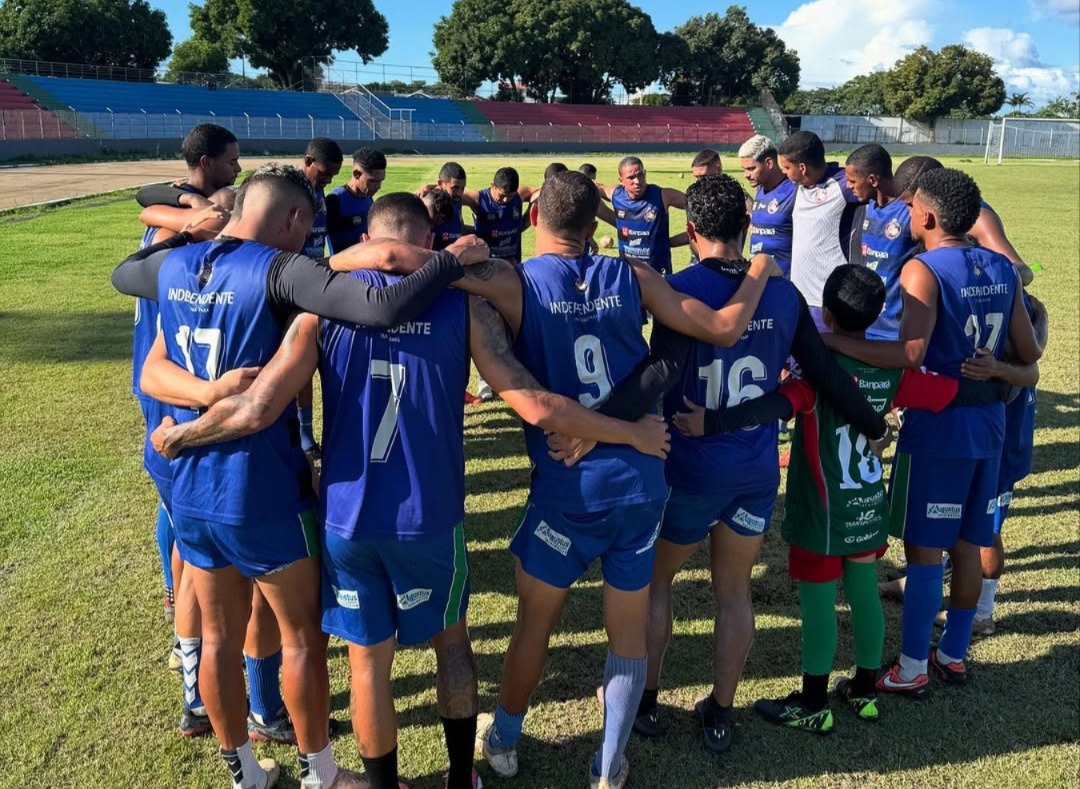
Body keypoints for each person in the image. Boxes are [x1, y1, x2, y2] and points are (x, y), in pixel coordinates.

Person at [149, 192, 671, 789]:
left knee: (367, 662)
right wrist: (622, 429)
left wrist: (182, 435)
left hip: (347, 516)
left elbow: (259, 405)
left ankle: (379, 784)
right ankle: (458, 779)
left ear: (369, 240)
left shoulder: (320, 310)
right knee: (451, 643)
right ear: (426, 244)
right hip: (430, 515)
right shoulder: (461, 309)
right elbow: (531, 402)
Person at [336, 172, 781, 789]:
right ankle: (606, 765)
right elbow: (723, 328)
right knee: (627, 636)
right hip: (641, 480)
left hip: (567, 489)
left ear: (535, 218)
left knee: (534, 627)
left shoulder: (516, 281)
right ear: (596, 220)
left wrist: (335, 256)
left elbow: (401, 259)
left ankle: (507, 737)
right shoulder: (633, 274)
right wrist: (759, 270)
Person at [112, 163, 488, 789]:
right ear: (292, 219)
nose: (310, 242)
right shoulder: (280, 273)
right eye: (308, 228)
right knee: (303, 642)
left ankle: (244, 771)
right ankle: (321, 772)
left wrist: (191, 415)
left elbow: (146, 348)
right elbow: (384, 302)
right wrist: (449, 261)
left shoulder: (178, 265)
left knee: (220, 636)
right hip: (263, 488)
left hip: (193, 488)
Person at [677, 264, 1010, 733]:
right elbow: (949, 391)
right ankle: (864, 689)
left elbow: (774, 405)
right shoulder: (893, 373)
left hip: (822, 511)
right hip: (866, 506)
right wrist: (998, 385)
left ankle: (813, 701)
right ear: (875, 317)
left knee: (818, 605)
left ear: (827, 317)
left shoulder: (817, 373)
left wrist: (710, 422)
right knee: (862, 592)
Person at [624, 176, 889, 755]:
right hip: (754, 472)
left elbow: (662, 375)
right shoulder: (785, 293)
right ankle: (721, 710)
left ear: (691, 231)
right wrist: (872, 424)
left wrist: (595, 424)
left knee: (656, 582)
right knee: (734, 592)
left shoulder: (679, 287)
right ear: (746, 227)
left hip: (690, 469)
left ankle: (646, 701)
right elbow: (823, 374)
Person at [822, 168, 1042, 697]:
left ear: (928, 215)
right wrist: (1000, 370)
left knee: (924, 551)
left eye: (914, 208)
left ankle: (914, 666)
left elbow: (911, 354)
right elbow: (1030, 352)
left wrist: (832, 344)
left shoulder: (923, 269)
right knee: (969, 545)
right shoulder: (1001, 267)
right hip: (990, 424)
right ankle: (954, 654)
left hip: (940, 428)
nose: (908, 216)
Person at [892, 156, 1036, 287]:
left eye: (912, 205)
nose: (909, 212)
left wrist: (973, 282)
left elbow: (1023, 273)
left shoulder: (979, 217)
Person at [777, 131, 862, 328]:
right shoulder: (796, 186)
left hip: (832, 301)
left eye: (787, 167)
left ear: (802, 167)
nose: (784, 173)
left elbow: (879, 191)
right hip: (799, 297)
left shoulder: (843, 185)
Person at [844, 144, 916, 341]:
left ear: (873, 180)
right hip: (865, 326)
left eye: (852, 181)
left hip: (897, 331)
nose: (848, 186)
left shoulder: (909, 212)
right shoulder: (865, 209)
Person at [599, 156, 687, 275]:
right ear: (621, 180)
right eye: (631, 178)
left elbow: (696, 204)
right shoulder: (615, 194)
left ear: (645, 173)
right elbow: (590, 190)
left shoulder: (663, 196)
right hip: (628, 273)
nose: (637, 181)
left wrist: (670, 242)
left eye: (640, 175)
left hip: (658, 275)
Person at [738, 135, 796, 277]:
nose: (746, 175)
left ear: (769, 163)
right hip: (759, 279)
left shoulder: (794, 190)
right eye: (744, 169)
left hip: (785, 280)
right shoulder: (760, 189)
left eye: (751, 168)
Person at [326, 147, 387, 254]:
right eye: (373, 181)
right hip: (343, 267)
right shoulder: (335, 200)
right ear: (356, 174)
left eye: (381, 181)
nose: (378, 186)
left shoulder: (368, 198)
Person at [425, 161, 473, 251]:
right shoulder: (429, 203)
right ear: (440, 183)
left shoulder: (457, 200)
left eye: (462, 188)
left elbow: (459, 228)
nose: (459, 193)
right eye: (455, 188)